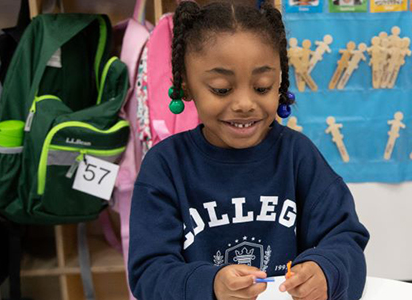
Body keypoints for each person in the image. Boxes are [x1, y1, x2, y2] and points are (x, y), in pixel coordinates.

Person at [127, 1, 370, 300]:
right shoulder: (165, 167)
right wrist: (212, 285)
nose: (245, 104)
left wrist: (327, 272)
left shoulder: (298, 156)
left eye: (262, 87)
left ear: (279, 82)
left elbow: (346, 239)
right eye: (221, 88)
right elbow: (148, 272)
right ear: (186, 85)